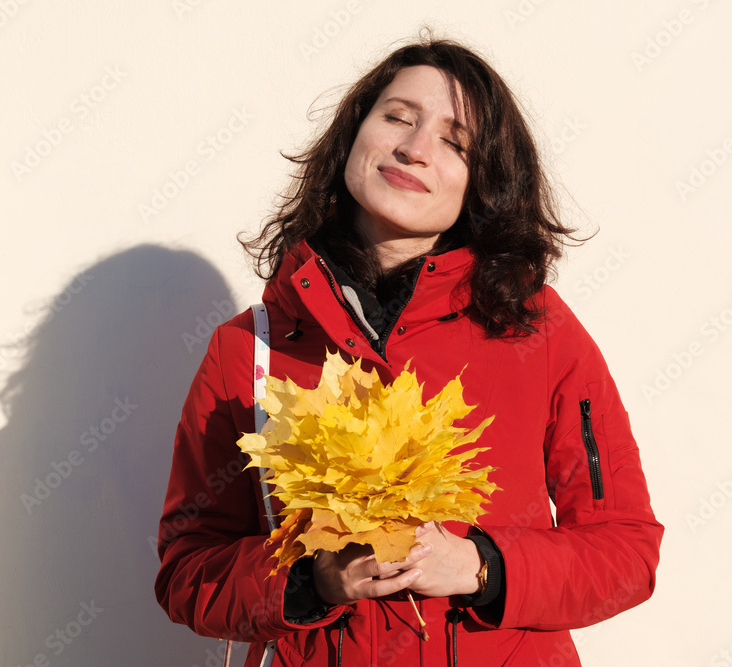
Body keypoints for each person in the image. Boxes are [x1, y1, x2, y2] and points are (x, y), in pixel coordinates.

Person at [155, 34, 663, 667]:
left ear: (485, 183)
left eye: (456, 142)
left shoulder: (539, 330)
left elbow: (626, 550)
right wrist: (312, 580)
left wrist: (483, 565)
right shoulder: (247, 347)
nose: (415, 149)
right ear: (353, 135)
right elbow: (187, 571)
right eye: (397, 117)